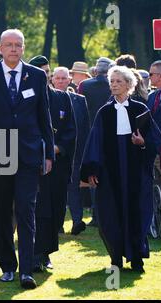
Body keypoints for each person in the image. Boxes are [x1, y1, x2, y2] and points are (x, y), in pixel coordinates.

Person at [0, 29, 54, 289]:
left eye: (18, 45)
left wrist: (49, 153)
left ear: (23, 48)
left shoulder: (37, 75)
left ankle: (26, 270)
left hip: (29, 154)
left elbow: (45, 117)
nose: (13, 49)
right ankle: (8, 265)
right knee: (3, 212)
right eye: (8, 45)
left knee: (26, 210)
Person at [81, 66, 161, 273]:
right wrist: (92, 170)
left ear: (129, 85)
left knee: (137, 212)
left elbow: (154, 141)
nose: (114, 84)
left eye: (119, 81)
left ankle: (137, 258)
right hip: (110, 174)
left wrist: (142, 142)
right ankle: (116, 257)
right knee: (110, 214)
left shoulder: (139, 109)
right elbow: (95, 143)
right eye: (112, 81)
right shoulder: (104, 112)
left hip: (135, 173)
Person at [29, 64, 76, 271]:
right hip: (33, 164)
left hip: (56, 165)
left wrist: (56, 149)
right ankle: (35, 254)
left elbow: (71, 130)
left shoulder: (62, 98)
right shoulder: (27, 98)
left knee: (55, 210)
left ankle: (46, 251)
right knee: (39, 211)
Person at [51, 67, 90, 235]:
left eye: (64, 78)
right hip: (55, 151)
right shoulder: (47, 98)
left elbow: (85, 127)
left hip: (76, 151)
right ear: (52, 80)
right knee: (56, 189)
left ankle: (77, 220)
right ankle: (57, 223)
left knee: (74, 186)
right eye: (57, 78)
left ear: (70, 80)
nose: (60, 81)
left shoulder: (80, 100)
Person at [78, 57, 115, 227]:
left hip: (89, 134)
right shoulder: (114, 85)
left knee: (93, 173)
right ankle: (109, 213)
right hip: (112, 134)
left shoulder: (85, 86)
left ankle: (96, 214)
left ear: (95, 70)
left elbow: (79, 110)